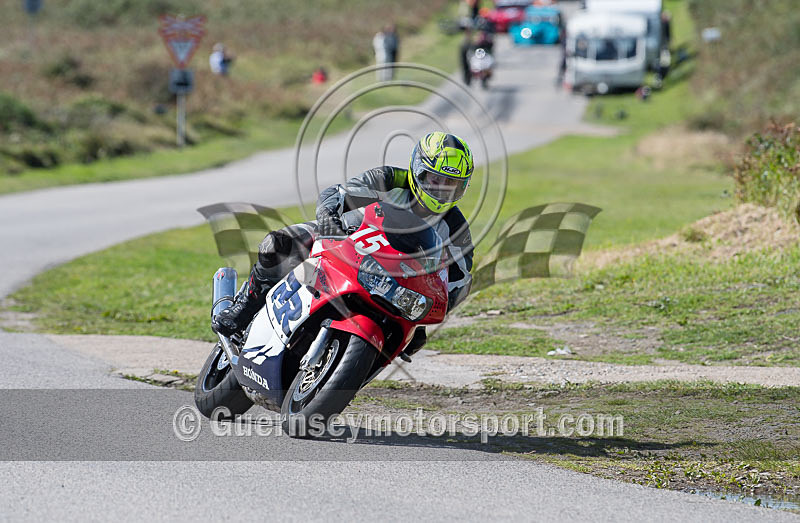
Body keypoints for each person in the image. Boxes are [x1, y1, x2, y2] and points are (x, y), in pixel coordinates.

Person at [213, 132, 475, 360]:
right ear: (418, 170)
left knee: (407, 337)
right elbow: (337, 194)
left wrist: (423, 320)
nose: (441, 189)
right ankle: (244, 308)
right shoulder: (389, 179)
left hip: (392, 280)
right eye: (435, 179)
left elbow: (458, 283)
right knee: (277, 245)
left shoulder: (456, 229)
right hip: (343, 240)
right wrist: (329, 220)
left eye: (451, 183)